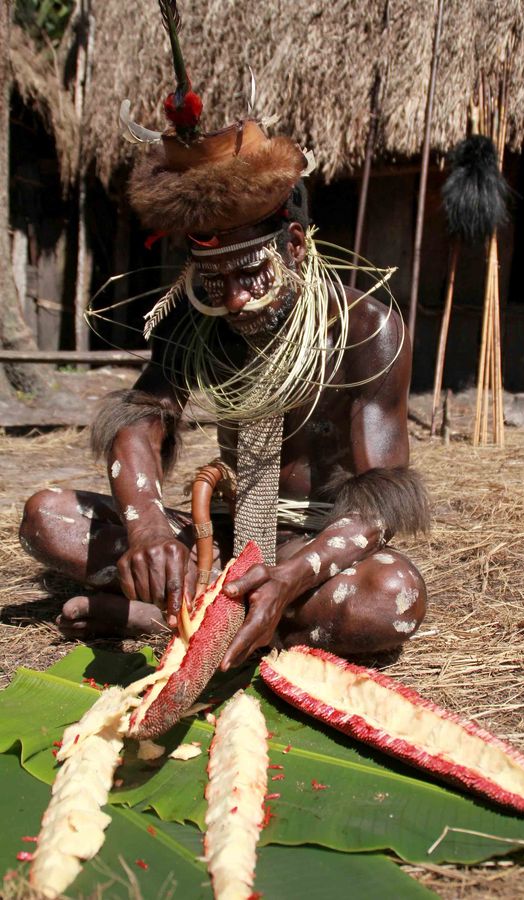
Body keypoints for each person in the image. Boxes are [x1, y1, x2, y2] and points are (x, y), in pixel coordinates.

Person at [19, 8, 429, 671]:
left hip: (314, 550)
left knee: (393, 600)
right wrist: (149, 525)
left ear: (294, 246)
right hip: (222, 537)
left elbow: (380, 504)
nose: (234, 296)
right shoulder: (198, 316)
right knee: (46, 518)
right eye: (213, 278)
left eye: (249, 273)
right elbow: (140, 425)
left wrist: (292, 577)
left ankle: (186, 614)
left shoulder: (368, 329)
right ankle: (217, 608)